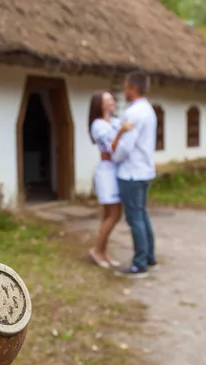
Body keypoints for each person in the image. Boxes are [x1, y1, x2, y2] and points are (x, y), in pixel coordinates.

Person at [107, 71, 159, 279]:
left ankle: (139, 263)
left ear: (133, 88)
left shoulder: (134, 113)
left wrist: (113, 157)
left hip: (131, 172)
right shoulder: (149, 110)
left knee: (135, 217)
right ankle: (149, 256)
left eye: (126, 87)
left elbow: (125, 147)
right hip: (144, 169)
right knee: (142, 214)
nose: (124, 91)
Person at [88, 91, 134, 268]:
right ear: (100, 105)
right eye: (108, 100)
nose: (112, 102)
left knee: (110, 214)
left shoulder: (114, 121)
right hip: (107, 171)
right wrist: (122, 131)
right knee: (114, 214)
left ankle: (102, 251)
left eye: (112, 99)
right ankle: (97, 250)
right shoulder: (98, 125)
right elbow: (112, 147)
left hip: (117, 169)